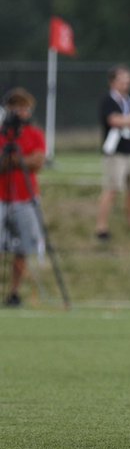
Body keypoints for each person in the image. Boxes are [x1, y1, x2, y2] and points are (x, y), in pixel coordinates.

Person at [0, 89, 46, 307]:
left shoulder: (35, 134)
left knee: (24, 248)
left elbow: (37, 162)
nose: (21, 113)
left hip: (26, 199)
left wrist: (14, 161)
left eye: (25, 108)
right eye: (16, 108)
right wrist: (21, 160)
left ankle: (14, 293)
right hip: (1, 198)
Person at [95, 65, 130, 242]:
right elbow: (113, 120)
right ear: (113, 81)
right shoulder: (107, 101)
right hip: (115, 153)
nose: (126, 84)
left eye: (128, 80)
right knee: (112, 189)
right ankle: (101, 227)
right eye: (122, 80)